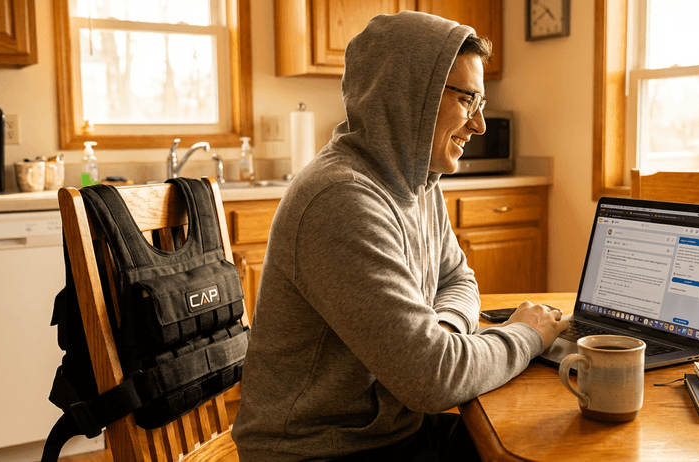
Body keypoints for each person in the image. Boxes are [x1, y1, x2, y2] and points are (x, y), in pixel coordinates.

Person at [232, 11, 568, 461]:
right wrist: (527, 335)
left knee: (541, 444)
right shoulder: (341, 199)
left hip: (388, 432)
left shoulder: (419, 179)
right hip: (319, 450)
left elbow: (458, 280)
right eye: (468, 99)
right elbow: (434, 381)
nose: (479, 124)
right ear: (411, 95)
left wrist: (443, 332)